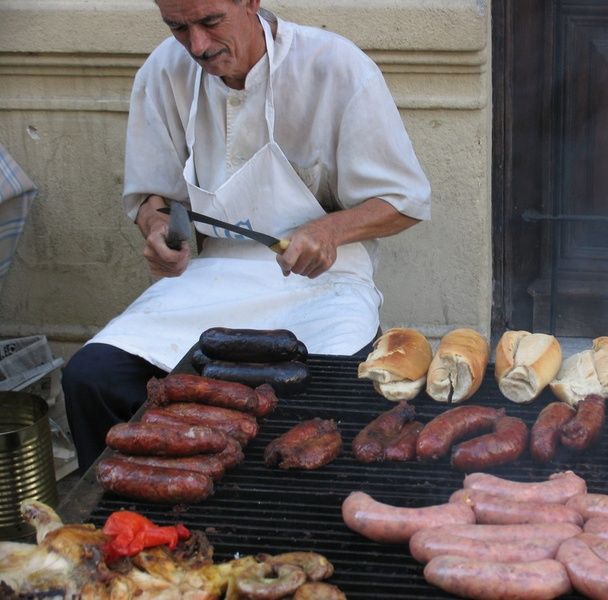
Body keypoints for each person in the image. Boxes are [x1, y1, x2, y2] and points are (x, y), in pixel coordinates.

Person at [63, 0, 431, 472]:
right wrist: (160, 228)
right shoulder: (163, 71)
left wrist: (328, 228)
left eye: (210, 22)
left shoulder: (335, 67)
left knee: (327, 393)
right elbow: (158, 195)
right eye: (177, 27)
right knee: (92, 377)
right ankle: (126, 525)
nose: (197, 45)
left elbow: (405, 200)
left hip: (326, 281)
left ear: (252, 2)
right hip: (211, 276)